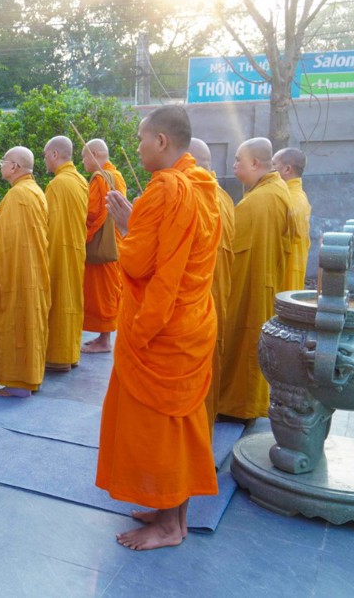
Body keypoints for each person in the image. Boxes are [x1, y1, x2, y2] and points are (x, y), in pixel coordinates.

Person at [96, 105, 220, 551]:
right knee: (179, 423)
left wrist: (126, 225)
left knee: (159, 427)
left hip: (161, 328)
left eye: (141, 139)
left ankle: (168, 526)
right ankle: (174, 514)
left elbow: (138, 262)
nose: (138, 147)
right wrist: (138, 221)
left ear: (161, 141)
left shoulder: (167, 189)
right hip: (191, 321)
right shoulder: (202, 184)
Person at [216, 137, 291, 421]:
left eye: (238, 160)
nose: (234, 165)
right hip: (261, 279)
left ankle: (238, 407)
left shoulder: (261, 200)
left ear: (256, 163)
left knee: (243, 341)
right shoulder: (273, 191)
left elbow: (229, 250)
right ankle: (241, 404)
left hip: (251, 284)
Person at [0, 147, 50, 397]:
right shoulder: (34, 191)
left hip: (18, 274)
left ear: (14, 167)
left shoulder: (18, 195)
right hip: (32, 271)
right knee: (30, 323)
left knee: (16, 322)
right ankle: (30, 377)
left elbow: (6, 239)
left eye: (4, 161)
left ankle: (18, 383)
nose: (1, 165)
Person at [188, 137, 235, 429]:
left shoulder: (194, 197)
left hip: (196, 303)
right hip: (215, 299)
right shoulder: (223, 196)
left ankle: (194, 436)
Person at [42, 136, 88, 372]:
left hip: (58, 251)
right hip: (76, 249)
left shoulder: (58, 185)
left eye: (45, 155)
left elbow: (48, 223)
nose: (44, 160)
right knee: (72, 301)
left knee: (58, 300)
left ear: (54, 155)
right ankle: (70, 353)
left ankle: (57, 357)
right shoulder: (80, 180)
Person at [79, 139, 126, 354]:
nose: (83, 161)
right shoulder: (116, 175)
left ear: (95, 154)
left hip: (102, 244)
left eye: (84, 156)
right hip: (114, 241)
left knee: (103, 291)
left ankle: (104, 340)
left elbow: (92, 212)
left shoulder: (101, 178)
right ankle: (103, 337)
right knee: (108, 289)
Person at [273, 147, 311, 291]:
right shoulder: (297, 196)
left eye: (273, 164)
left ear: (287, 169)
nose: (270, 169)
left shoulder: (290, 200)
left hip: (286, 274)